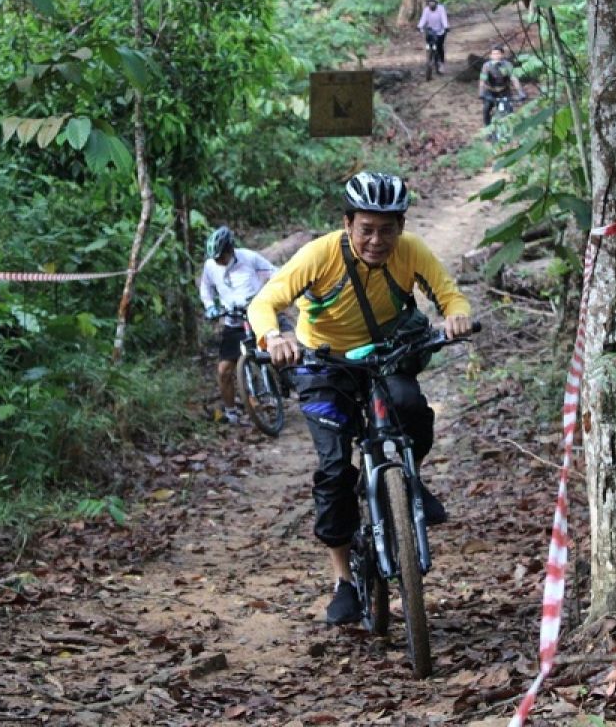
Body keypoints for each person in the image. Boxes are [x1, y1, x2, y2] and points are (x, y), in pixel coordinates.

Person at [247, 172, 473, 625]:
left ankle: (409, 481)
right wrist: (274, 338)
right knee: (334, 469)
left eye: (387, 229)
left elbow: (450, 297)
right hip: (323, 364)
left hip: (386, 357)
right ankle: (344, 581)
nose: (376, 240)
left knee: (411, 409)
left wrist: (457, 317)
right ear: (347, 223)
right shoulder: (320, 255)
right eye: (366, 229)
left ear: (401, 227)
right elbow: (264, 302)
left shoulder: (411, 253)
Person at [198, 226, 276, 425]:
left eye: (221, 257)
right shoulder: (210, 266)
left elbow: (275, 274)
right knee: (224, 370)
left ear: (230, 250)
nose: (218, 262)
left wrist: (267, 293)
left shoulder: (249, 258)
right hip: (233, 321)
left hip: (258, 316)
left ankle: (282, 385)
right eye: (215, 258)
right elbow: (206, 289)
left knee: (276, 353)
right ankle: (231, 411)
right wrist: (210, 307)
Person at [478, 45, 526, 126]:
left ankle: (509, 129)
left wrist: (520, 92)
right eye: (494, 54)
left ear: (502, 55)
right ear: (490, 56)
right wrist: (481, 92)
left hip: (504, 91)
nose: (496, 56)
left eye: (498, 54)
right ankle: (487, 129)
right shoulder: (486, 66)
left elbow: (514, 79)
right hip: (490, 91)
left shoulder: (508, 65)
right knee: (486, 109)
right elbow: (483, 79)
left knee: (509, 111)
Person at [417, 0, 449, 73]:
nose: (431, 3)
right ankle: (428, 63)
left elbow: (444, 18)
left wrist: (446, 27)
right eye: (430, 2)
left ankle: (441, 63)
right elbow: (423, 19)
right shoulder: (426, 10)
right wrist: (419, 26)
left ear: (436, 2)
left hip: (440, 31)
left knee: (440, 47)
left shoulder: (441, 9)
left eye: (433, 1)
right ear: (428, 3)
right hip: (430, 31)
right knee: (429, 45)